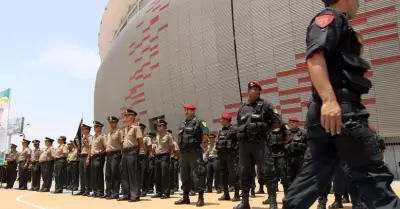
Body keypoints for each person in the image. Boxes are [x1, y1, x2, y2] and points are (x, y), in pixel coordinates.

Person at [282, 0, 400, 208]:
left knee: (312, 178)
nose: (359, 3)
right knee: (373, 178)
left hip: (330, 115)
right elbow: (315, 57)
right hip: (341, 113)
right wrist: (329, 101)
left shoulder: (341, 25)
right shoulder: (330, 19)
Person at [235, 81, 280, 209]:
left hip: (260, 143)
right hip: (245, 146)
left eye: (257, 89)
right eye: (253, 89)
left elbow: (276, 122)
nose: (255, 91)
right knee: (244, 173)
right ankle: (245, 202)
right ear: (248, 91)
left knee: (268, 171)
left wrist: (264, 131)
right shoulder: (242, 107)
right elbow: (239, 125)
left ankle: (272, 202)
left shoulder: (266, 105)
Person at [174, 104, 209, 207]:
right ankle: (185, 197)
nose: (186, 112)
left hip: (194, 152)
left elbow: (205, 132)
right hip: (184, 153)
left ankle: (200, 197)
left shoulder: (200, 121)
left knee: (198, 174)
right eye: (185, 110)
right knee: (184, 175)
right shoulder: (182, 124)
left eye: (188, 110)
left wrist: (205, 143)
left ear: (193, 111)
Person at [263, 123, 292, 205]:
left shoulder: (282, 124)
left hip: (280, 154)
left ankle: (287, 198)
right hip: (268, 154)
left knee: (284, 175)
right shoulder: (264, 124)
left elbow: (289, 136)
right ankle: (271, 198)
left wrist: (282, 144)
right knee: (269, 177)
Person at [119, 109, 143, 202]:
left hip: (132, 151)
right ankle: (126, 194)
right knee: (124, 174)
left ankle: (135, 195)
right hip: (125, 152)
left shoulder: (136, 128)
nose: (126, 117)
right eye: (125, 116)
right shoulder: (125, 129)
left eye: (127, 116)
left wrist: (139, 151)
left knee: (133, 174)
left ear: (132, 117)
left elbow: (140, 141)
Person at [216, 113, 240, 202]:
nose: (220, 120)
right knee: (223, 175)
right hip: (222, 155)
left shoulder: (234, 129)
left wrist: (237, 153)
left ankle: (237, 195)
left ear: (227, 120)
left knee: (234, 175)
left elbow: (240, 141)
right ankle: (226, 194)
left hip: (231, 155)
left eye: (222, 119)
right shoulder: (221, 130)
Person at [152, 119, 174, 198]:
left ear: (164, 127)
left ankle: (166, 192)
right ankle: (158, 192)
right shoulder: (157, 135)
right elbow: (155, 145)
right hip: (157, 156)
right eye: (157, 126)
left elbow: (172, 146)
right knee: (157, 175)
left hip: (165, 156)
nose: (158, 127)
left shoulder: (168, 136)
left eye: (159, 125)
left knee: (164, 174)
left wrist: (171, 156)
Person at [104, 116, 123, 199]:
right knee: (108, 174)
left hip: (116, 154)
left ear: (116, 123)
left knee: (115, 174)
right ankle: (108, 192)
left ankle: (115, 192)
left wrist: (122, 156)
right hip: (108, 155)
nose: (111, 124)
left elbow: (122, 144)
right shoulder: (108, 133)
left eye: (113, 122)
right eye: (110, 123)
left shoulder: (119, 132)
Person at [284, 117, 307, 182]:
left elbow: (308, 146)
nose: (291, 124)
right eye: (290, 123)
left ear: (297, 123)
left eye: (293, 122)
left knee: (301, 176)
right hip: (288, 158)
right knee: (290, 176)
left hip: (300, 158)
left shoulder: (303, 133)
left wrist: (299, 146)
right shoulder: (286, 133)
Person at [89, 121, 107, 197]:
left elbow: (106, 147)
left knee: (99, 174)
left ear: (100, 128)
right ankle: (95, 191)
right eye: (94, 127)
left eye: (97, 127)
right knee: (93, 175)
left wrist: (102, 153)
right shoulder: (93, 137)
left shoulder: (102, 136)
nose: (95, 128)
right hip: (93, 157)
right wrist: (88, 158)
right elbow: (90, 148)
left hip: (99, 157)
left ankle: (100, 191)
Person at [74, 124, 93, 196]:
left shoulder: (90, 137)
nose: (82, 131)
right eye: (81, 129)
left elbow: (90, 148)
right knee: (81, 174)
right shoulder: (82, 138)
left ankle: (87, 189)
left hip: (86, 156)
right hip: (81, 156)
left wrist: (88, 158)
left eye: (83, 129)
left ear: (87, 130)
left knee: (86, 174)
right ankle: (82, 189)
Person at [139, 123, 152, 197]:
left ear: (143, 129)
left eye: (141, 129)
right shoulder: (137, 139)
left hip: (144, 156)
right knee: (137, 173)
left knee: (144, 173)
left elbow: (149, 147)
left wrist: (149, 155)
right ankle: (138, 189)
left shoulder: (146, 138)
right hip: (137, 157)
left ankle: (144, 190)